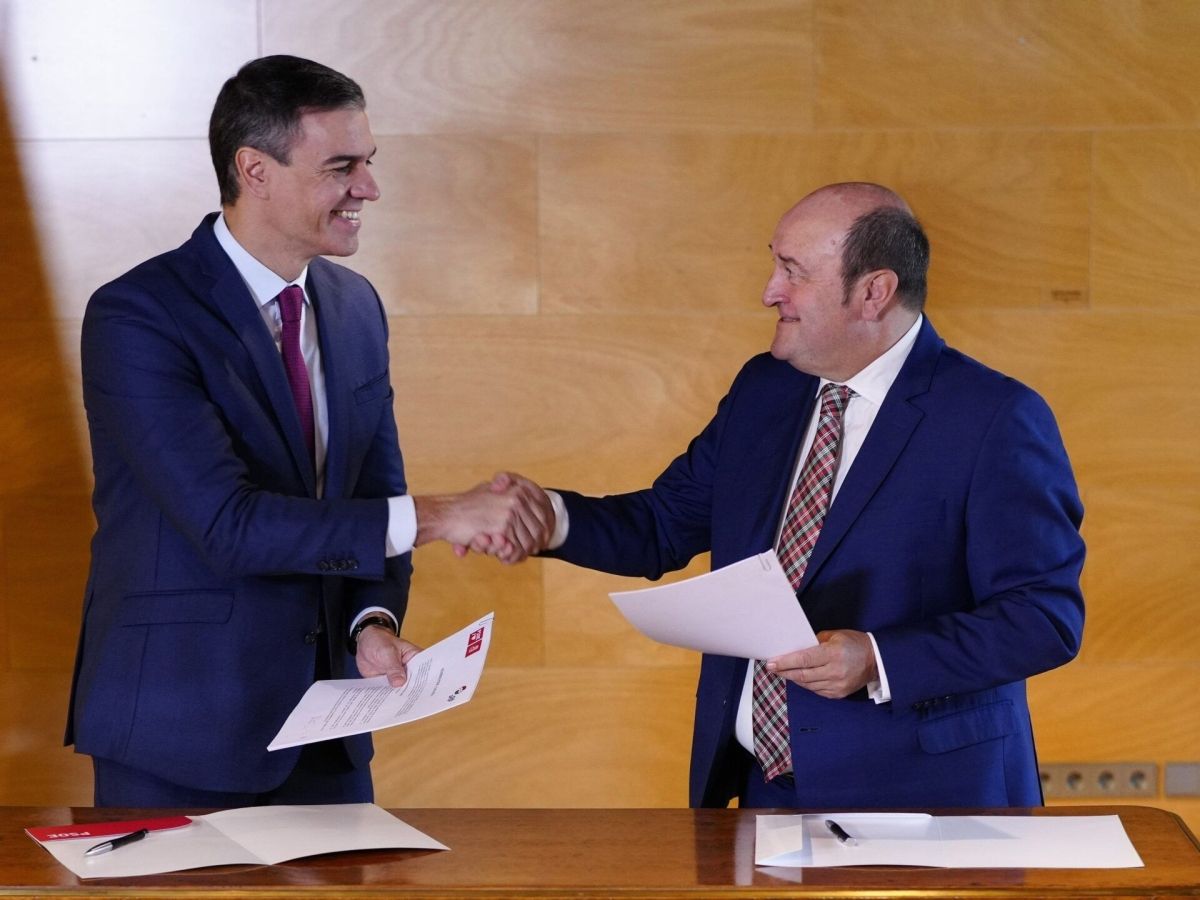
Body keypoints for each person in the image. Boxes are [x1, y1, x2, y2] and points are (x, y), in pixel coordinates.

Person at [67, 55, 551, 808]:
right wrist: (443, 515)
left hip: (330, 730)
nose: (369, 188)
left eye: (369, 162)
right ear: (254, 170)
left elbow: (371, 493)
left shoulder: (356, 307)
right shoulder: (138, 315)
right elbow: (228, 526)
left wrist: (370, 622)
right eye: (341, 167)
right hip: (179, 729)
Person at [510, 182, 1085, 808]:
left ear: (873, 292)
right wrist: (547, 519)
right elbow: (661, 525)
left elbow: (1043, 618)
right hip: (760, 793)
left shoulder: (996, 417)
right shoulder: (765, 388)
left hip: (925, 802)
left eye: (793, 272)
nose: (769, 292)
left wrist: (878, 659)